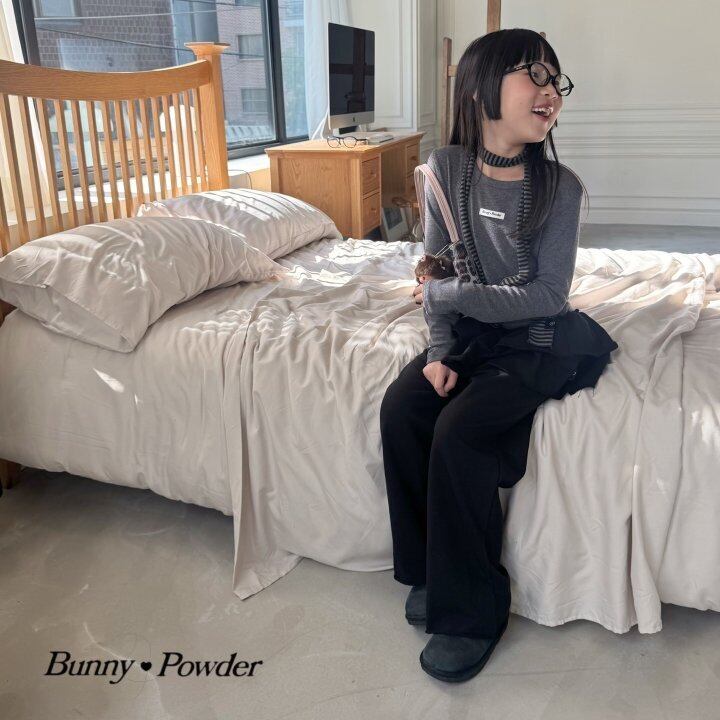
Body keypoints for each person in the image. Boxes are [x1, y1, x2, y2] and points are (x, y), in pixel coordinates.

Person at [379, 28, 619, 684]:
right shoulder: (444, 170)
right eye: (532, 75)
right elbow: (433, 269)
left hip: (536, 340)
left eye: (555, 79)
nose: (550, 91)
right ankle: (430, 570)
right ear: (482, 86)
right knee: (403, 408)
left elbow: (546, 296)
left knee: (460, 433)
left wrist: (453, 297)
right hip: (470, 335)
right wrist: (440, 348)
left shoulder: (560, 187)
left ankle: (472, 612)